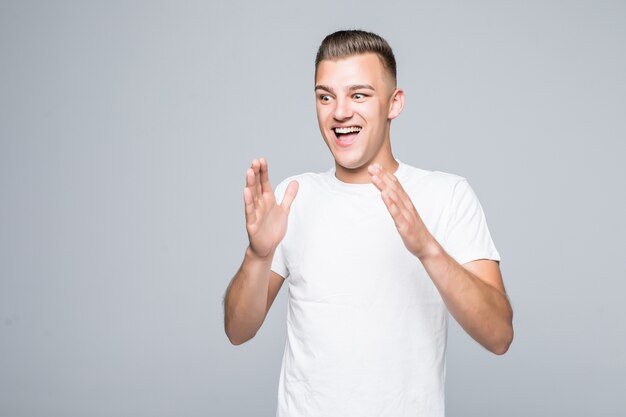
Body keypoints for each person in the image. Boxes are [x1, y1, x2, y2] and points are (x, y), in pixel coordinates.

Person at [224, 29, 513, 417]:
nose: (340, 112)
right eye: (326, 96)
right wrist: (257, 255)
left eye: (358, 95)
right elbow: (238, 331)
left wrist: (427, 249)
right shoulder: (294, 197)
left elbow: (499, 335)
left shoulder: (448, 195)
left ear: (394, 104)